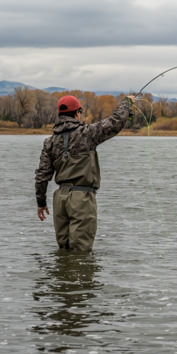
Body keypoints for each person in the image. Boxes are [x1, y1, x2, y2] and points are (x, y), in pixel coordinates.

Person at [35, 94, 135, 252]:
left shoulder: (50, 142)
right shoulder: (87, 133)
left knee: (64, 250)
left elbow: (42, 175)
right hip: (82, 199)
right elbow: (114, 122)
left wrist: (41, 203)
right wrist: (127, 103)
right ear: (77, 113)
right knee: (80, 252)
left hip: (60, 200)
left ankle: (62, 277)